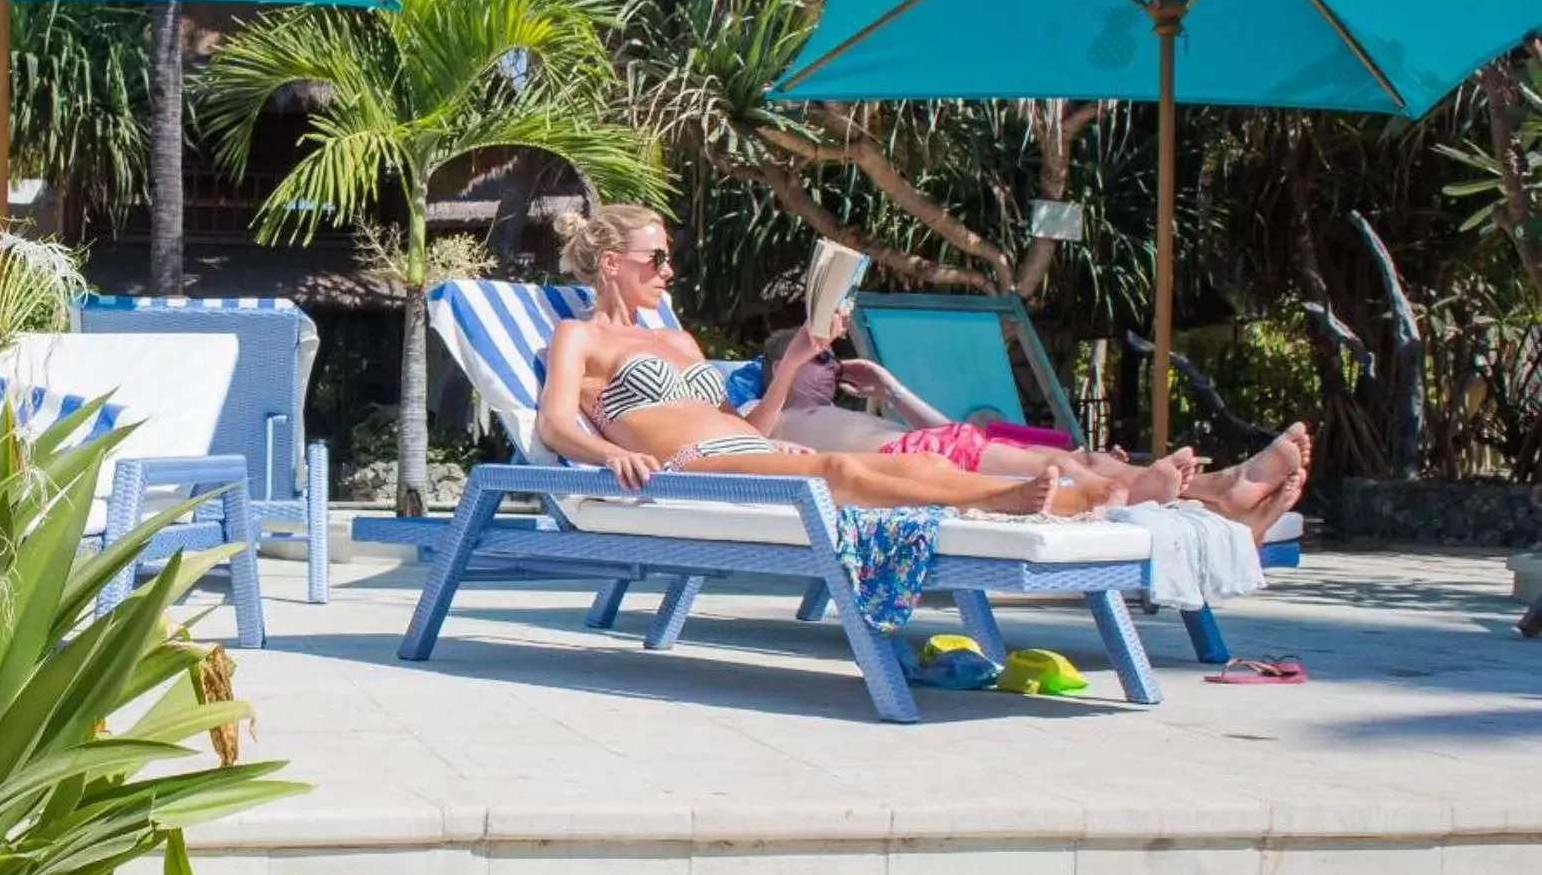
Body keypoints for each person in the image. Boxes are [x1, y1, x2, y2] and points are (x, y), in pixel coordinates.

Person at [538, 204, 1092, 514]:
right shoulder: (579, 336)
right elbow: (556, 424)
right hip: (691, 465)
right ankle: (1005, 500)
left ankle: (1070, 499)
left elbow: (746, 424)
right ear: (611, 262)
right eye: (656, 259)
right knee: (838, 469)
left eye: (669, 259)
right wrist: (611, 455)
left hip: (746, 449)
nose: (668, 271)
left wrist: (792, 365)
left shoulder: (680, 341)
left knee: (930, 464)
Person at [757, 328, 1308, 534]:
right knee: (1065, 469)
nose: (829, 362)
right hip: (922, 465)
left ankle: (1220, 486)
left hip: (937, 447)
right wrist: (786, 370)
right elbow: (748, 437)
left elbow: (948, 430)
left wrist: (891, 388)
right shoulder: (767, 409)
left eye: (830, 355)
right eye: (817, 356)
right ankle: (1198, 489)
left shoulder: (852, 409)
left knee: (1088, 459)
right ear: (784, 363)